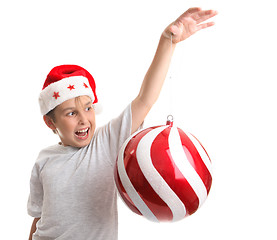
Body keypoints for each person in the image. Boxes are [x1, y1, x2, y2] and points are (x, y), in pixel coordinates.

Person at [27, 7, 217, 240]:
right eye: (71, 113)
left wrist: (168, 42)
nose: (84, 118)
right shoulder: (44, 159)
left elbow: (145, 99)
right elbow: (37, 218)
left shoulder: (104, 143)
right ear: (50, 122)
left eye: (88, 108)